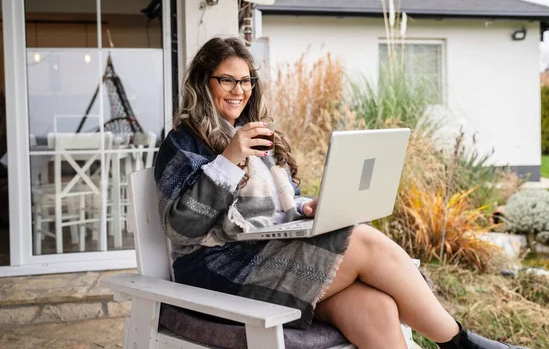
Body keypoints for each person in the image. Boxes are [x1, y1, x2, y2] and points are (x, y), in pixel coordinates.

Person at [154, 37, 528, 349]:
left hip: (267, 257)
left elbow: (281, 202)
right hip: (218, 270)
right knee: (360, 240)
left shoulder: (256, 132)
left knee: (376, 305)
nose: (240, 91)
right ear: (204, 83)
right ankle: (460, 344)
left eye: (246, 80)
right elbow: (182, 227)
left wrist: (306, 207)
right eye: (227, 81)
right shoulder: (184, 142)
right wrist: (229, 157)